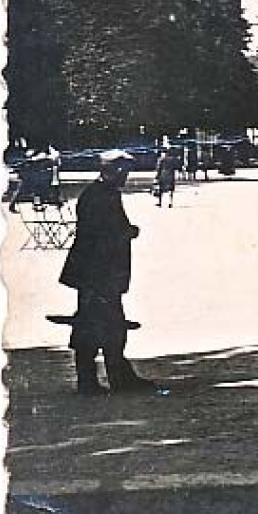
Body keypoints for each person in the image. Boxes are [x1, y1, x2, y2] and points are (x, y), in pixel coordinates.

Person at [59, 151, 159, 395]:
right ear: (111, 171)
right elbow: (101, 237)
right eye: (124, 172)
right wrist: (128, 232)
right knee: (102, 327)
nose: (126, 177)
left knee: (100, 325)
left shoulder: (99, 194)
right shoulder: (100, 197)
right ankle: (107, 380)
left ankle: (106, 379)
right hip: (97, 274)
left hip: (96, 274)